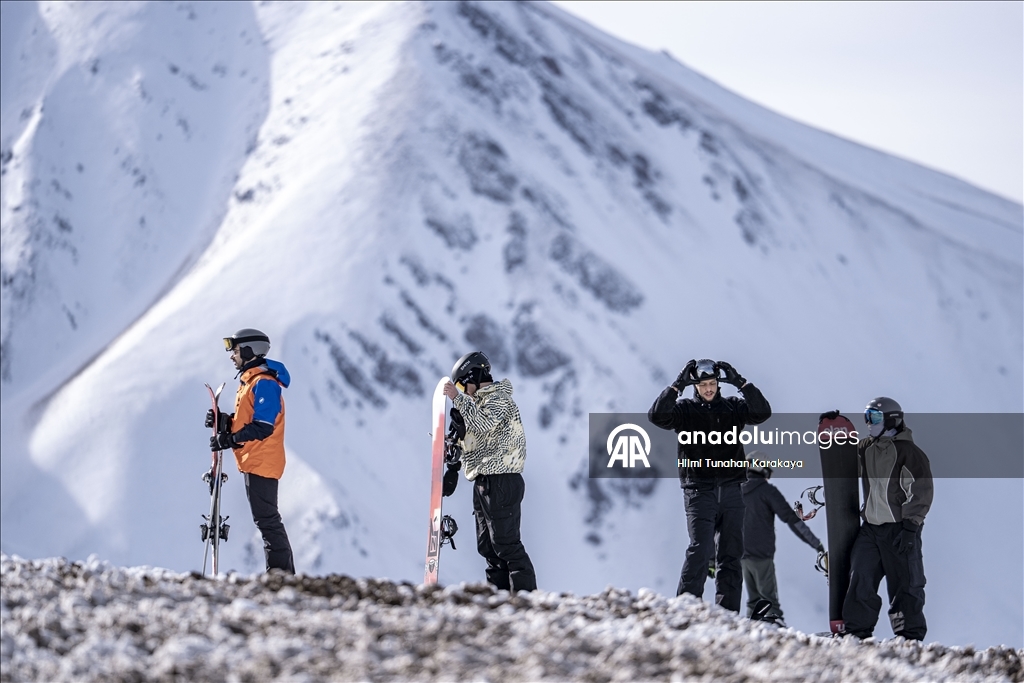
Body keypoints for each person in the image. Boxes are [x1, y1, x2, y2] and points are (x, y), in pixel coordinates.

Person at [648, 358, 771, 611]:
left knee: (731, 555)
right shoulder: (683, 411)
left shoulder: (734, 407)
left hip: (731, 491)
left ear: (719, 384)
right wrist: (675, 387)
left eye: (712, 383)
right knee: (700, 550)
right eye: (703, 384)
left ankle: (727, 614)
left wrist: (741, 383)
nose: (708, 389)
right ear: (695, 386)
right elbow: (657, 416)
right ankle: (686, 608)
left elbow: (762, 412)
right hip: (699, 491)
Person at [442, 351, 537, 592]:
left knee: (506, 545)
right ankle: (500, 600)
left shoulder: (499, 399)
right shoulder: (477, 406)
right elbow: (475, 439)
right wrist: (453, 466)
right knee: (489, 548)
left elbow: (483, 423)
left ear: (474, 375)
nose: (464, 391)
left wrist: (457, 399)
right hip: (484, 481)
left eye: (464, 384)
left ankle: (528, 600)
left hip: (502, 480)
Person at [206, 328, 295, 574]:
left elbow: (263, 427)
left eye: (235, 350)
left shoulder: (264, 383)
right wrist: (224, 421)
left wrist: (230, 438)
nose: (232, 356)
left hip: (262, 461)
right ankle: (281, 574)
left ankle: (281, 575)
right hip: (253, 459)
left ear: (249, 350)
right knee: (265, 519)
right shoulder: (250, 381)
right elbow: (248, 420)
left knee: (267, 521)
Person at [843, 397, 933, 640]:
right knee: (860, 577)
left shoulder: (910, 453)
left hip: (900, 530)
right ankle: (856, 632)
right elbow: (843, 454)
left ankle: (909, 637)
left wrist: (911, 527)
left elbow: (921, 491)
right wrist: (834, 425)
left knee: (905, 584)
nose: (868, 423)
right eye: (866, 416)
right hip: (870, 529)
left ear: (892, 420)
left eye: (874, 417)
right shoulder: (865, 447)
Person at [741, 457, 824, 626]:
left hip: (740, 555)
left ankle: (750, 630)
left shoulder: (735, 490)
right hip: (761, 554)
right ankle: (774, 626)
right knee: (769, 602)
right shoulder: (767, 491)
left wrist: (713, 557)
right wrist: (816, 543)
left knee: (753, 600)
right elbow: (791, 519)